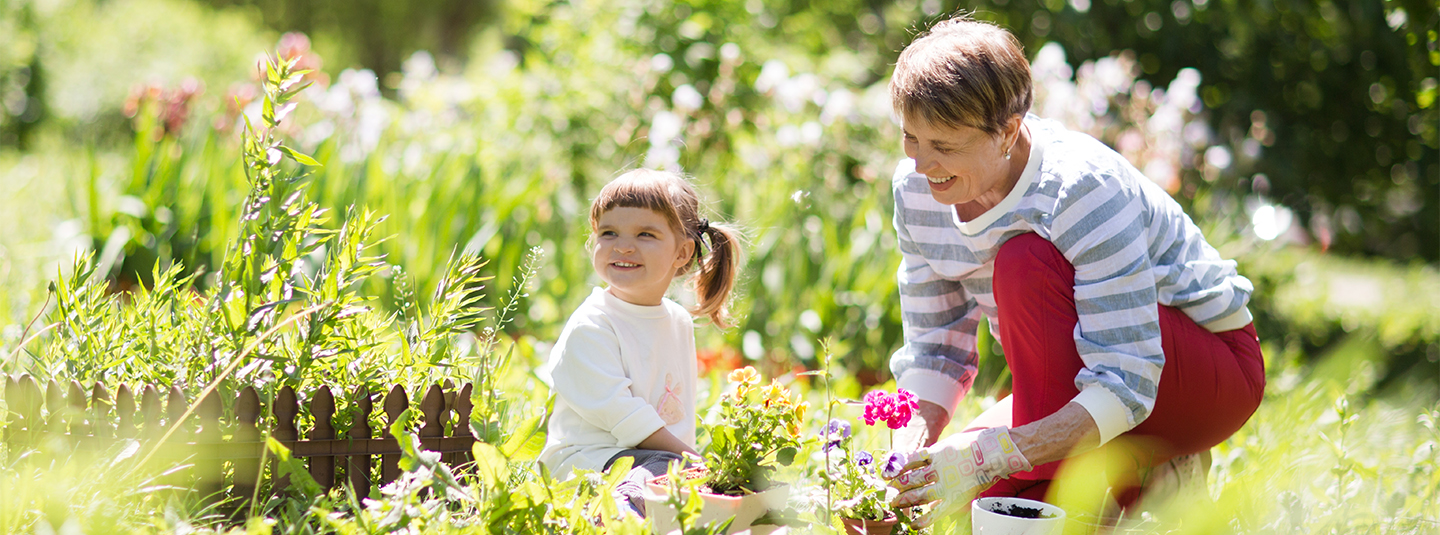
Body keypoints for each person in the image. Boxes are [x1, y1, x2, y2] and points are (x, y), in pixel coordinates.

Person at [880, 15, 1266, 527]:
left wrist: (988, 459)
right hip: (1081, 378)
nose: (922, 164)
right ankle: (1137, 472)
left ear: (1008, 131)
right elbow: (936, 345)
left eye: (944, 146)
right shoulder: (916, 192)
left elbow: (1127, 378)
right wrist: (912, 450)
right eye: (912, 138)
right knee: (933, 503)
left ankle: (1135, 475)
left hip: (1200, 371)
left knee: (1026, 262)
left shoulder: (1083, 190)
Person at [538, 169, 741, 517]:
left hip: (656, 460)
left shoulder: (676, 321)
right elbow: (627, 420)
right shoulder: (593, 325)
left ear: (682, 252)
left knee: (736, 484)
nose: (623, 246)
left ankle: (667, 507)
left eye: (645, 234)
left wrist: (693, 466)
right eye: (609, 232)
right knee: (667, 475)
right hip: (586, 464)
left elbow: (677, 412)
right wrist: (693, 462)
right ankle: (615, 515)